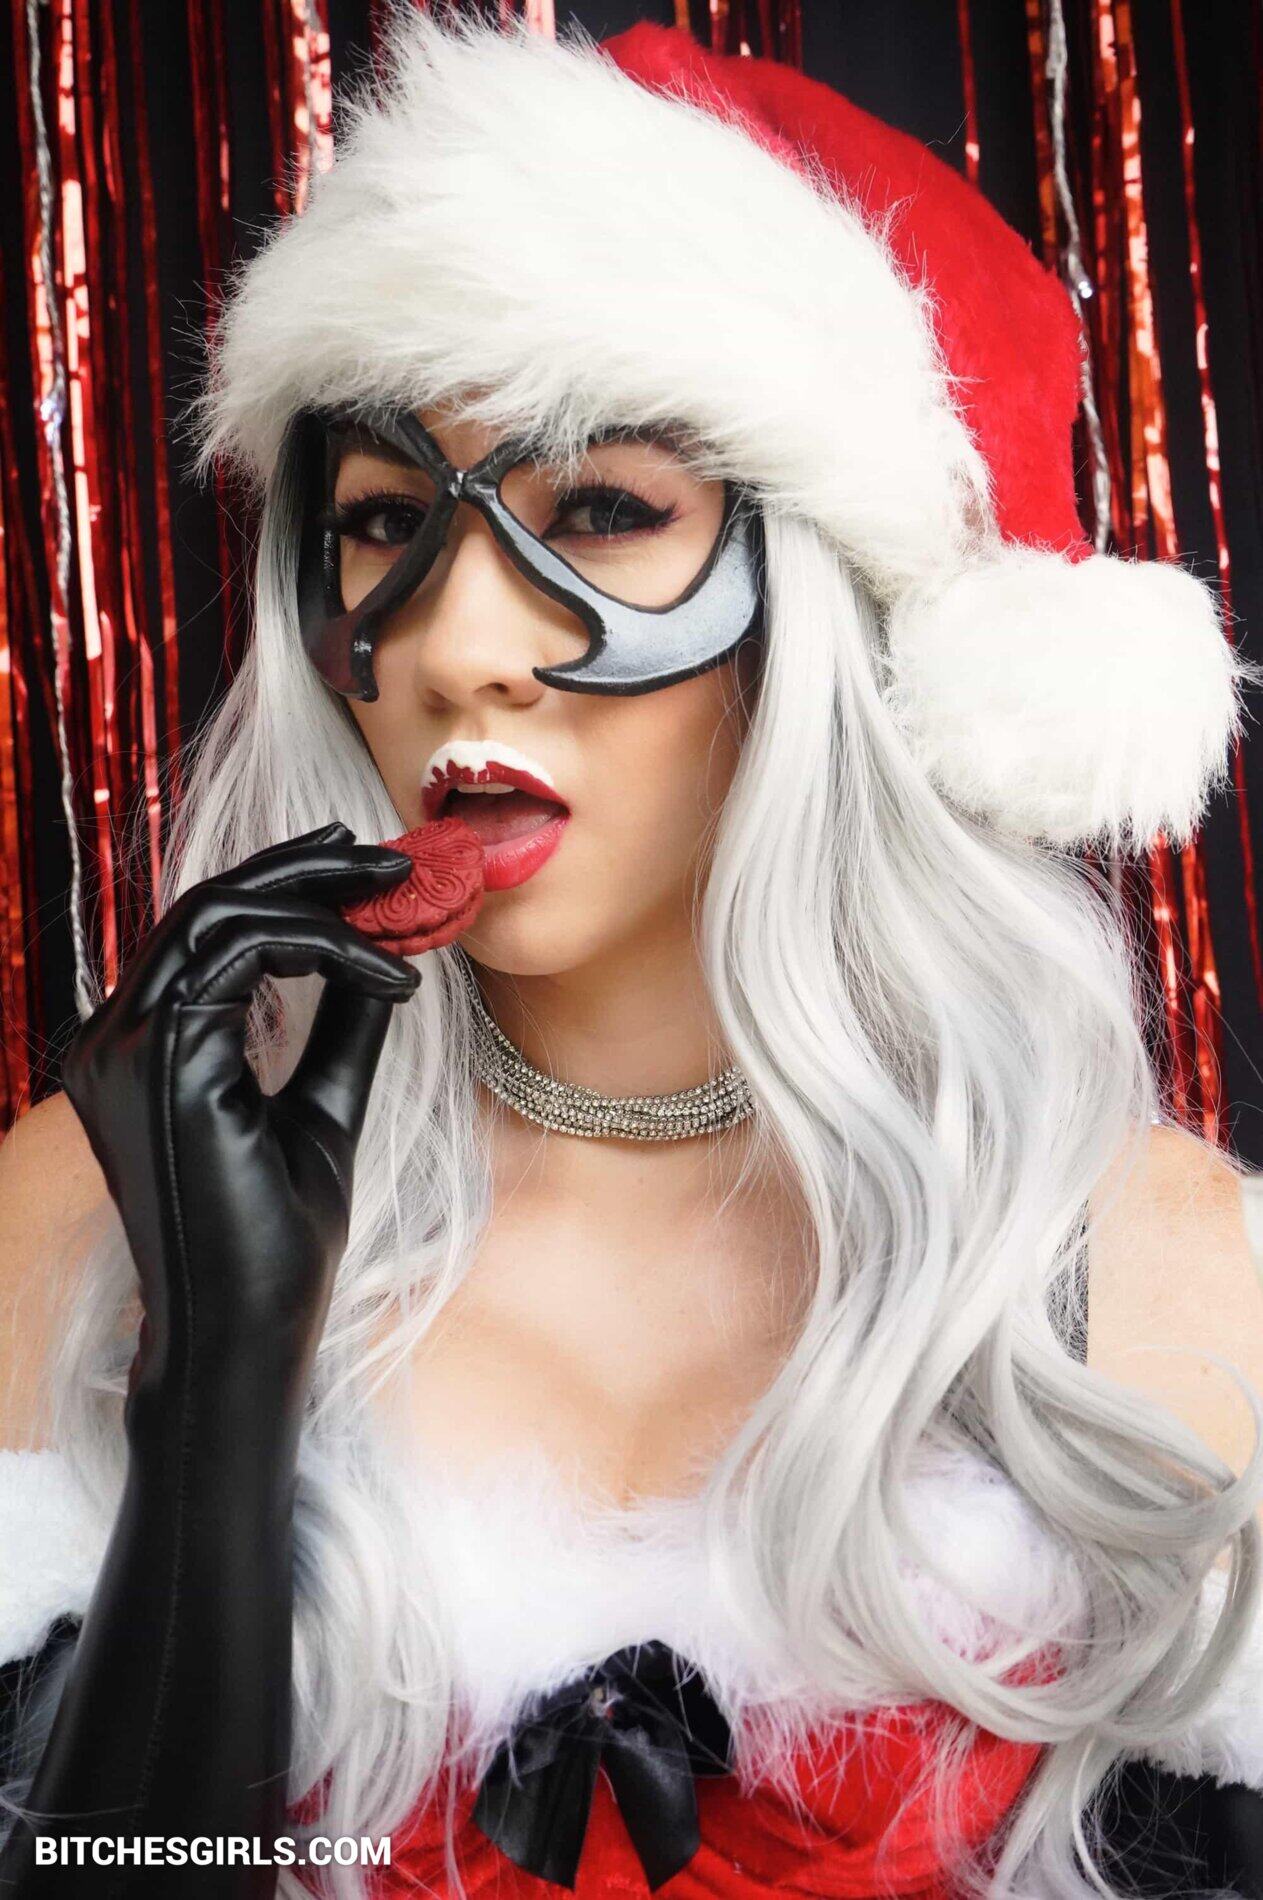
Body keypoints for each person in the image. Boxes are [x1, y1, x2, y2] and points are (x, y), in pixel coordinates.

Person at [1, 10, 1263, 1896]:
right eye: (382, 522)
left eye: (601, 511)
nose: (458, 647)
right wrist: (217, 1395)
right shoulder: (83, 1221)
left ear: (826, 608)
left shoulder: (1154, 1280)